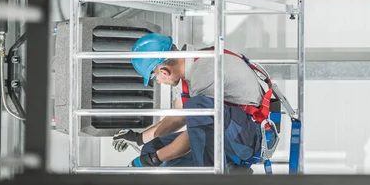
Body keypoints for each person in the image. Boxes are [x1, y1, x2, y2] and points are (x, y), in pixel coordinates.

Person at [112, 33, 270, 171]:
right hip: (233, 132)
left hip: (253, 137)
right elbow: (179, 118)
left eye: (154, 79)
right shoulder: (188, 70)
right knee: (152, 148)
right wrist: (138, 139)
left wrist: (155, 158)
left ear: (163, 71)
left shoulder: (204, 71)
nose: (158, 82)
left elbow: (198, 130)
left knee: (195, 109)